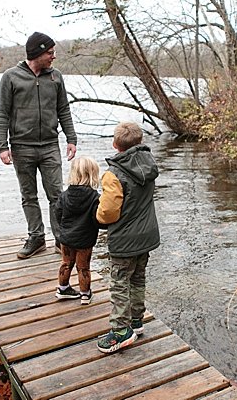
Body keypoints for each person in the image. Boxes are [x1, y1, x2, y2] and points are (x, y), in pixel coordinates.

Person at [0, 32, 78, 259]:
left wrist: (71, 138)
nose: (54, 57)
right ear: (36, 53)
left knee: (57, 195)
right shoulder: (11, 77)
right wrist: (2, 146)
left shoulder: (56, 77)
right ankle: (36, 237)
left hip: (50, 145)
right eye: (50, 53)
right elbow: (2, 113)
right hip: (22, 147)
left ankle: (61, 239)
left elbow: (64, 110)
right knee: (29, 195)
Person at [94, 122, 160, 353]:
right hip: (147, 235)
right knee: (138, 278)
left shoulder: (114, 174)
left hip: (124, 240)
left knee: (120, 283)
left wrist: (98, 217)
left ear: (115, 144)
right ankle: (136, 320)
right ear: (140, 142)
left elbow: (109, 212)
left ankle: (121, 331)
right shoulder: (149, 165)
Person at [54, 156, 102, 305]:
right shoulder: (95, 197)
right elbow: (97, 219)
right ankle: (85, 294)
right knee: (83, 267)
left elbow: (57, 213)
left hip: (66, 238)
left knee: (66, 263)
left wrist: (64, 228)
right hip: (85, 240)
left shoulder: (65, 195)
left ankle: (62, 289)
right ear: (93, 174)